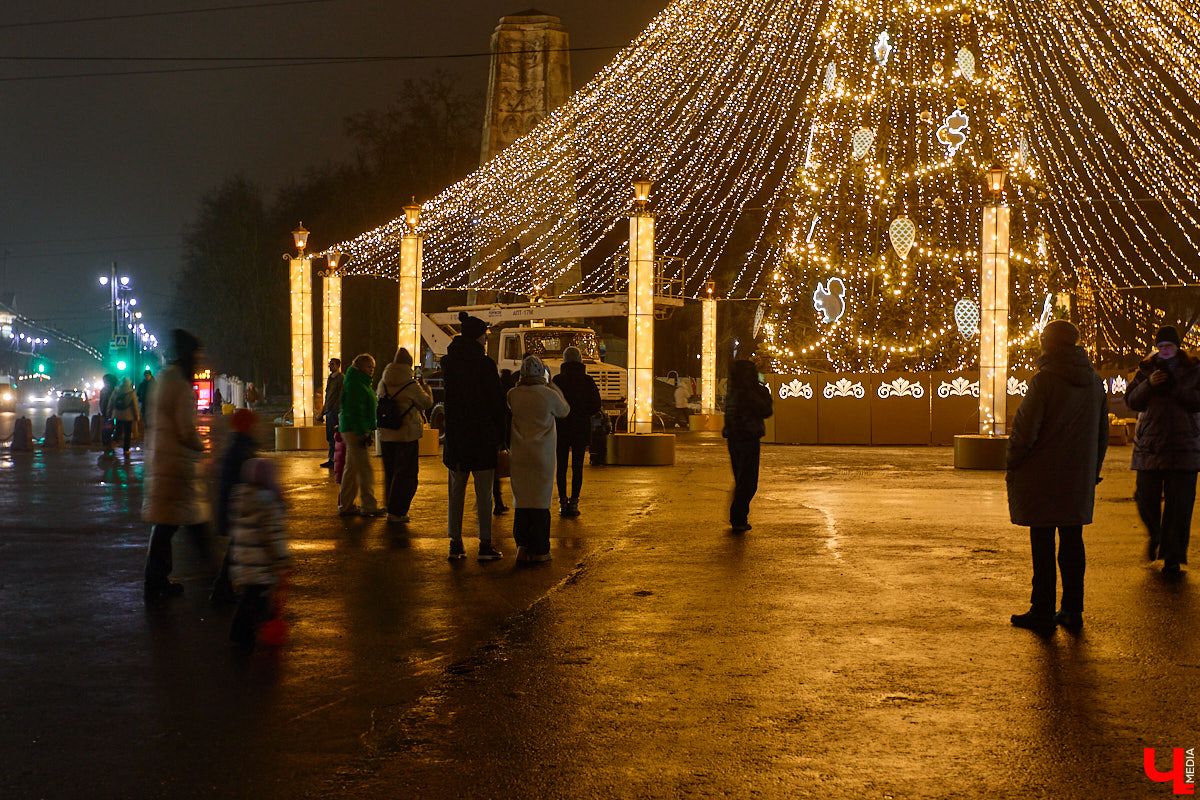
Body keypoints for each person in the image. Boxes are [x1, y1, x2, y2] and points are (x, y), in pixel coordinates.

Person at [1007, 320, 1108, 631]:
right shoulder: (1094, 383)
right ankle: (1072, 609)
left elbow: (1026, 431)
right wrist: (1093, 470)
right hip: (1077, 476)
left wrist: (1013, 462)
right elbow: (1102, 433)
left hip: (1043, 474)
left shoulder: (1044, 381)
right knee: (1072, 540)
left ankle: (1042, 610)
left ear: (1048, 344)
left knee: (1042, 541)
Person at [1125, 325, 1200, 575]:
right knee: (1145, 496)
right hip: (1151, 447)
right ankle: (1156, 534)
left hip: (1184, 446)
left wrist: (1175, 388)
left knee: (1179, 506)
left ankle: (1172, 558)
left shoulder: (1193, 369)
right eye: (1160, 347)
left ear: (1178, 347)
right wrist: (1149, 384)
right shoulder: (1147, 369)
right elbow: (1132, 400)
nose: (1164, 351)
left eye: (1168, 346)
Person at [143, 330, 211, 601]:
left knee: (167, 524)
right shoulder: (181, 384)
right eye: (197, 355)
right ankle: (215, 578)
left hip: (163, 460)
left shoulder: (164, 379)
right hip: (177, 465)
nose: (199, 360)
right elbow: (186, 430)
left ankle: (157, 581)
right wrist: (201, 446)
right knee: (188, 522)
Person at [442, 311, 507, 561]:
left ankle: (455, 543)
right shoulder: (485, 364)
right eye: (484, 336)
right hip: (482, 438)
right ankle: (485, 543)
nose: (485, 340)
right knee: (484, 495)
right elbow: (496, 403)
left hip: (457, 438)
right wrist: (500, 437)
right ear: (477, 337)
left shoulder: (449, 363)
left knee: (456, 492)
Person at [508, 356, 570, 562]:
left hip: (519, 455)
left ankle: (522, 546)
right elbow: (564, 410)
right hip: (542, 456)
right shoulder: (548, 395)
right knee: (540, 502)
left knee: (522, 500)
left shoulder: (513, 395)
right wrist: (552, 384)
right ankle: (541, 550)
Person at [228, 458, 290, 646]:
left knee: (252, 598)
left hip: (244, 563)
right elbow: (272, 535)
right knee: (254, 600)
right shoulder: (267, 503)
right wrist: (282, 559)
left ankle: (252, 630)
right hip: (261, 565)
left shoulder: (241, 498)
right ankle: (242, 635)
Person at [376, 347, 433, 523]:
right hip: (406, 437)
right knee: (407, 475)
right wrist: (426, 387)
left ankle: (390, 508)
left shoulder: (383, 382)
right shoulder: (411, 385)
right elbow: (427, 402)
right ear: (409, 366)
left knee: (390, 473)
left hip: (386, 435)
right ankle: (397, 512)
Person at [209, 408, 258, 605]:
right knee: (239, 549)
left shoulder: (237, 445)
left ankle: (224, 587)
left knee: (237, 548)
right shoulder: (242, 448)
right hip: (239, 508)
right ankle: (224, 588)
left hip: (234, 507)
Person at [722, 359, 773, 533]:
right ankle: (738, 517)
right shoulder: (751, 392)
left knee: (741, 478)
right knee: (748, 481)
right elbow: (766, 410)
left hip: (733, 438)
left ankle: (738, 516)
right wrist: (762, 390)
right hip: (748, 438)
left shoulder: (732, 392)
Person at [552, 346, 601, 517]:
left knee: (561, 466)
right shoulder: (587, 381)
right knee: (578, 466)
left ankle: (562, 502)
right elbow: (596, 404)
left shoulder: (557, 380)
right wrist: (583, 412)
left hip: (561, 428)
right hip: (580, 428)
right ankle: (574, 502)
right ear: (580, 360)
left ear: (564, 361)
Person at [338, 353, 384, 517]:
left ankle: (346, 505)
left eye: (373, 367)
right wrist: (362, 432)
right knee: (364, 469)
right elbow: (355, 411)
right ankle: (368, 504)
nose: (371, 370)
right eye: (368, 366)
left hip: (353, 429)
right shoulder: (357, 385)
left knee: (352, 469)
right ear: (360, 367)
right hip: (355, 430)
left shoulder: (357, 382)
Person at [492, 368, 517, 516]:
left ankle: (497, 501)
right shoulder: (511, 395)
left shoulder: (496, 395)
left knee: (494, 473)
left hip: (496, 438)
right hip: (508, 438)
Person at [317, 358, 344, 469]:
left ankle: (336, 459)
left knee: (335, 436)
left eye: (332, 364)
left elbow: (339, 396)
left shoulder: (340, 378)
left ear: (338, 365)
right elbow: (328, 397)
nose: (330, 366)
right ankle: (332, 458)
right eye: (329, 364)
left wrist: (335, 409)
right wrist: (323, 412)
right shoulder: (331, 378)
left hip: (335, 410)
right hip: (330, 410)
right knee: (330, 436)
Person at [105, 376, 140, 457]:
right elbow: (135, 405)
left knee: (118, 430)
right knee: (127, 432)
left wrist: (109, 413)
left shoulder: (116, 391)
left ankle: (113, 443)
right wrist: (136, 416)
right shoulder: (131, 392)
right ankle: (126, 449)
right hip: (128, 416)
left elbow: (111, 402)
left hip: (118, 415)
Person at [98, 373, 118, 456]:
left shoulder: (105, 390)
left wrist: (104, 410)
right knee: (110, 427)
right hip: (111, 411)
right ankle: (109, 442)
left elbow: (102, 402)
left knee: (107, 427)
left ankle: (107, 443)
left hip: (108, 411)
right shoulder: (114, 390)